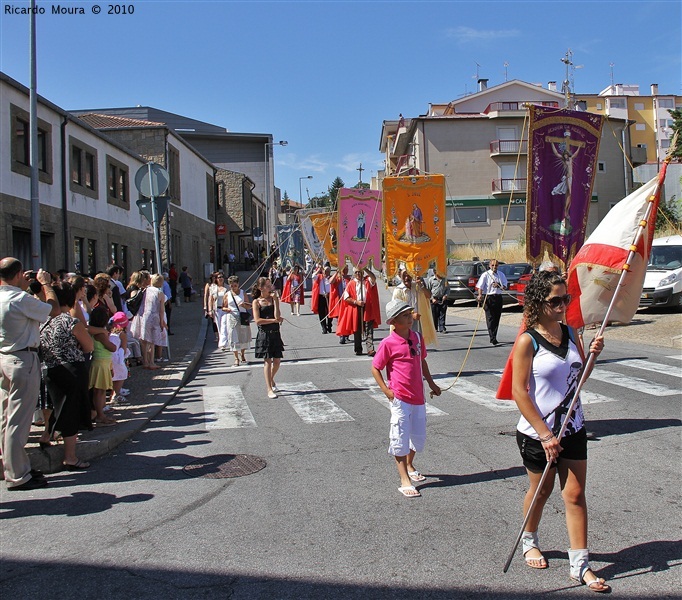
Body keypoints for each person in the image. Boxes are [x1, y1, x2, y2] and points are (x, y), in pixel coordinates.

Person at [511, 270, 609, 593]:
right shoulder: (528, 341)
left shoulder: (571, 333)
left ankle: (580, 565)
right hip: (538, 431)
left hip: (573, 426)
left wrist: (591, 356)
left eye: (565, 299)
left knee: (575, 494)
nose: (562, 305)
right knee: (542, 490)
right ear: (538, 302)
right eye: (555, 300)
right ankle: (529, 539)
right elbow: (520, 393)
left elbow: (578, 381)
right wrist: (544, 434)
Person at [371, 299, 441, 498]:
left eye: (410, 314)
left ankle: (410, 465)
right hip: (400, 397)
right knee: (400, 436)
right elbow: (376, 367)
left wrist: (432, 384)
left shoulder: (417, 338)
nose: (410, 318)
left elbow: (422, 362)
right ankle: (404, 479)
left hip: (418, 396)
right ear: (394, 320)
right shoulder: (388, 343)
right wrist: (386, 390)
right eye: (405, 315)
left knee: (418, 436)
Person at [0, 259, 59, 490]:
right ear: (17, 275)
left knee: (6, 417)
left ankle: (10, 466)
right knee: (19, 421)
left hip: (5, 357)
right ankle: (18, 475)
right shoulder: (19, 299)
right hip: (22, 358)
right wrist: (46, 285)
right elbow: (53, 310)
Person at [39, 283, 94, 470]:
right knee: (71, 412)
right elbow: (89, 346)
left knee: (54, 406)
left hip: (48, 369)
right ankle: (70, 456)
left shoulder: (42, 322)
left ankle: (47, 435)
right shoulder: (70, 322)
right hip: (71, 370)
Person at [252, 277, 284, 399]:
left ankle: (270, 379)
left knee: (277, 362)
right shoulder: (256, 302)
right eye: (267, 285)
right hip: (264, 334)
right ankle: (269, 388)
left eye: (270, 284)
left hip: (275, 332)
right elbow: (258, 321)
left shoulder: (273, 299)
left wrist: (276, 300)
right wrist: (273, 320)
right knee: (268, 361)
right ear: (261, 288)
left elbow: (277, 315)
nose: (270, 287)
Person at [336, 267, 380, 356]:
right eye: (356, 272)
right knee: (357, 329)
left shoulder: (368, 281)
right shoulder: (351, 283)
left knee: (369, 329)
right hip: (356, 308)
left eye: (360, 272)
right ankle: (358, 348)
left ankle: (370, 349)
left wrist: (365, 268)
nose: (358, 274)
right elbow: (346, 298)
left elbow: (374, 278)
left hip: (368, 308)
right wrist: (356, 302)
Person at [130, 273, 168, 370]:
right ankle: (152, 362)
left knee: (144, 340)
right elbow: (161, 310)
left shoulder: (145, 290)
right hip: (154, 317)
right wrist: (162, 322)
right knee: (152, 341)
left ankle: (145, 361)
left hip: (144, 316)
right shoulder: (160, 294)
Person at [88, 306, 117, 426]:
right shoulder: (100, 334)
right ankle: (100, 415)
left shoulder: (98, 332)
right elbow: (112, 347)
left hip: (103, 363)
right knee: (100, 392)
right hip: (100, 363)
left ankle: (99, 413)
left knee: (100, 391)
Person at [392, 270, 437, 347]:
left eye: (408, 275)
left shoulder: (416, 287)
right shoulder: (398, 290)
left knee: (417, 343)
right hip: (404, 322)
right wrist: (411, 315)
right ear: (400, 276)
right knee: (406, 343)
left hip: (418, 321)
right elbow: (396, 309)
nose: (406, 278)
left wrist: (421, 285)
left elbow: (429, 295)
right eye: (404, 276)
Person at [476, 259, 508, 345]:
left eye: (496, 265)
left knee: (497, 317)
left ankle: (494, 335)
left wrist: (499, 286)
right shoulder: (485, 275)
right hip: (488, 297)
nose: (494, 267)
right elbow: (480, 287)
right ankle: (492, 337)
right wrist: (480, 295)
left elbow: (505, 286)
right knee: (490, 317)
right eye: (493, 265)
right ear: (490, 266)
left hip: (498, 297)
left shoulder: (501, 275)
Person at [224, 275, 252, 367]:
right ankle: (236, 358)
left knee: (243, 336)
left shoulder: (243, 293)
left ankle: (242, 354)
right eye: (231, 286)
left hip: (243, 317)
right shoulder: (227, 294)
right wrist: (226, 309)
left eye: (235, 285)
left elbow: (249, 305)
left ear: (238, 284)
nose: (233, 288)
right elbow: (223, 306)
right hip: (232, 318)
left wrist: (244, 305)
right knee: (233, 336)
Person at [108, 312, 130, 405]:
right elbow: (124, 349)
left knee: (112, 377)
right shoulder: (122, 334)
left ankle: (112, 394)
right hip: (117, 358)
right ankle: (115, 395)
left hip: (109, 357)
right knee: (121, 376)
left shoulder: (108, 332)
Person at [208, 273, 230, 351]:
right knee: (219, 326)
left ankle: (222, 344)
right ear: (216, 279)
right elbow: (210, 299)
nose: (221, 278)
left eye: (222, 277)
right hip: (216, 309)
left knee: (224, 325)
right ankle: (222, 341)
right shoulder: (213, 288)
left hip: (225, 309)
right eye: (219, 277)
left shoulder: (227, 287)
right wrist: (210, 310)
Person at [203, 272, 220, 342]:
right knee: (214, 321)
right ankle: (216, 336)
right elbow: (206, 295)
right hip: (211, 305)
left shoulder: (219, 285)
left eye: (215, 277)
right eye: (213, 277)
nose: (214, 279)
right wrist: (205, 306)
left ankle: (221, 335)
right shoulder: (209, 285)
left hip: (218, 305)